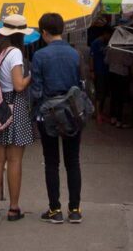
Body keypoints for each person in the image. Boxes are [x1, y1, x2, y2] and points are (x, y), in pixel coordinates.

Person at [30, 12, 84, 224]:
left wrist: (35, 112)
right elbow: (81, 84)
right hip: (72, 112)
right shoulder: (75, 54)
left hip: (48, 113)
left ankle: (55, 210)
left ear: (44, 32)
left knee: (51, 162)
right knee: (73, 161)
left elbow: (36, 90)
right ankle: (75, 209)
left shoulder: (40, 56)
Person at [0, 14, 33, 222]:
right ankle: (13, 208)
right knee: (15, 160)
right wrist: (32, 75)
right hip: (14, 106)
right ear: (19, 34)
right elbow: (19, 85)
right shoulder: (15, 53)